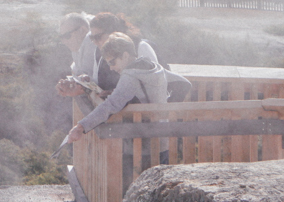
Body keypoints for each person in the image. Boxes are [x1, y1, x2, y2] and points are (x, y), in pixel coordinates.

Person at [64, 33, 192, 145]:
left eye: (112, 62)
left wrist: (80, 127)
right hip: (163, 136)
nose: (111, 68)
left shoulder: (130, 76)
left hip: (145, 141)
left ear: (125, 56)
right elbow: (184, 84)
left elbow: (111, 105)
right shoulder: (152, 66)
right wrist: (166, 109)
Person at [86, 12, 157, 94]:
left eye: (98, 37)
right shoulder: (98, 53)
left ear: (113, 32)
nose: (95, 42)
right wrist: (87, 82)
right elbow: (97, 83)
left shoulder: (141, 47)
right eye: (92, 37)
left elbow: (154, 84)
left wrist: (115, 93)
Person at [53, 12, 96, 98]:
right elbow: (80, 74)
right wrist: (69, 82)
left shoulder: (91, 42)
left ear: (82, 30)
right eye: (62, 37)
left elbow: (95, 82)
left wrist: (76, 86)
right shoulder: (77, 47)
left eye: (67, 36)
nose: (64, 41)